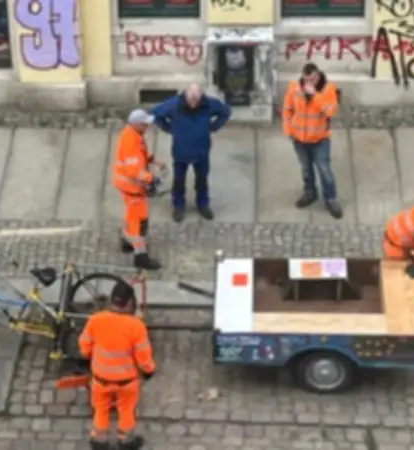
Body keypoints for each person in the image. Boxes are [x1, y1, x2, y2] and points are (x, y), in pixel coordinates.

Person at [79, 281, 156, 450]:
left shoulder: (95, 320)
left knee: (100, 409)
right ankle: (125, 441)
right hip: (126, 381)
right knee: (126, 409)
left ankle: (98, 441)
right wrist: (149, 371)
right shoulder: (136, 326)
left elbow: (84, 346)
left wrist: (89, 357)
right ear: (130, 303)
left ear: (111, 300)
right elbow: (143, 357)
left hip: (100, 379)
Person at [151, 84, 231, 223]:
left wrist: (213, 127)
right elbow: (155, 114)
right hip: (181, 151)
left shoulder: (209, 104)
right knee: (179, 180)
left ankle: (203, 204)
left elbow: (225, 112)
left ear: (201, 97)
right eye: (191, 100)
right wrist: (169, 129)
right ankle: (178, 206)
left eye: (196, 100)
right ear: (186, 96)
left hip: (201, 150)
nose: (193, 104)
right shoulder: (174, 105)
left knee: (202, 179)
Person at [282, 63, 343, 219]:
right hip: (299, 138)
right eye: (306, 79)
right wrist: (288, 130)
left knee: (324, 170)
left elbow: (331, 110)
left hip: (319, 138)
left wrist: (315, 95)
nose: (310, 82)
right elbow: (287, 109)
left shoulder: (328, 89)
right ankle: (310, 193)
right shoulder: (294, 87)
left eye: (313, 79)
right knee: (306, 169)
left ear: (318, 75)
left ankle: (331, 199)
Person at [112, 109, 165, 271]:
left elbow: (140, 154)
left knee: (130, 216)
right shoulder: (131, 140)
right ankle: (140, 256)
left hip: (127, 185)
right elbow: (134, 171)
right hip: (132, 187)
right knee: (140, 223)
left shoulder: (132, 135)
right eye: (145, 123)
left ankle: (126, 241)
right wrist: (151, 178)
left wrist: (153, 160)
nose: (148, 126)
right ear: (136, 124)